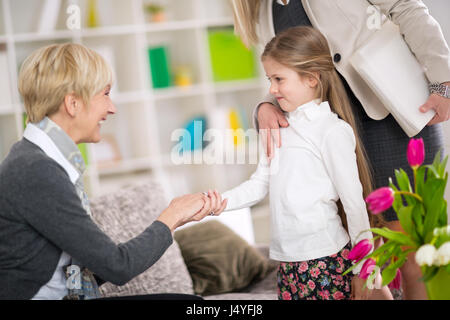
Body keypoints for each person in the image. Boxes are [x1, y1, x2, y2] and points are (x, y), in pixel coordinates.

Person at [230, 0, 450, 300]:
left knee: (416, 253)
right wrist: (264, 107)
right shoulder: (265, 12)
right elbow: (284, 74)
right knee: (370, 259)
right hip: (338, 142)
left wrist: (444, 81)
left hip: (394, 119)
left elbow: (407, 7)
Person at [0, 43, 227, 300]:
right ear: (73, 103)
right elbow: (118, 266)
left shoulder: (41, 159)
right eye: (105, 94)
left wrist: (177, 220)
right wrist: (171, 217)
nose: (112, 108)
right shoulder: (35, 169)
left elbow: (90, 266)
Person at [221, 26, 392, 300]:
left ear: (311, 78)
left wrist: (363, 269)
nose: (271, 89)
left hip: (325, 261)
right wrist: (217, 202)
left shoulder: (332, 131)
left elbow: (354, 204)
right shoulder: (277, 128)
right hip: (287, 264)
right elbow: (259, 184)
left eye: (279, 79)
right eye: (269, 79)